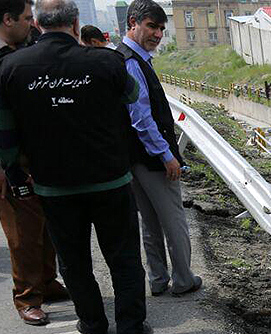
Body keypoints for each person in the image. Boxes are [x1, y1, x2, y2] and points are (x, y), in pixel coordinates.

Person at [0, 0, 150, 334]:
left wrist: (15, 174)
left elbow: (3, 134)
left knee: (74, 261)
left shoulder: (10, 69)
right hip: (110, 180)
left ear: (36, 22)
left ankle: (92, 324)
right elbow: (133, 94)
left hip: (54, 187)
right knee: (123, 256)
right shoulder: (106, 61)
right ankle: (130, 327)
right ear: (76, 24)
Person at [0, 0, 70, 324]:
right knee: (21, 233)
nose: (31, 24)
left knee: (44, 223)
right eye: (25, 18)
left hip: (34, 155)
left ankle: (47, 282)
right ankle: (26, 297)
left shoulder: (20, 45)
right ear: (7, 20)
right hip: (4, 161)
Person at [118, 0, 201, 297]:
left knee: (150, 222)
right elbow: (141, 119)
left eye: (162, 29)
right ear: (133, 23)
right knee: (174, 221)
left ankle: (157, 279)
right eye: (152, 26)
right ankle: (183, 279)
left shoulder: (128, 58)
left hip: (134, 159)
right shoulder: (131, 62)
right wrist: (167, 156)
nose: (157, 34)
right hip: (151, 159)